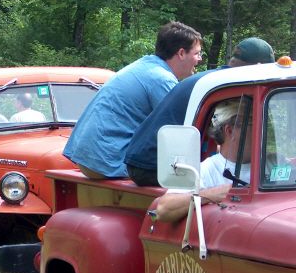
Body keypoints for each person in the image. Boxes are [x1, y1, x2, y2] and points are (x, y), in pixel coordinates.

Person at [125, 37, 274, 186]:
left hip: (150, 159)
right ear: (259, 66)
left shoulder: (218, 79)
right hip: (150, 165)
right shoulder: (227, 86)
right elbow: (229, 134)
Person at [64, 21, 203, 179]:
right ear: (181, 53)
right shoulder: (161, 79)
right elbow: (183, 129)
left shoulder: (145, 66)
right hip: (107, 161)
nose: (199, 59)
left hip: (88, 159)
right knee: (187, 174)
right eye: (197, 53)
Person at [155, 99, 253, 223]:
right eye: (252, 123)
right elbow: (163, 209)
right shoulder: (206, 169)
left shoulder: (273, 163)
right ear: (230, 131)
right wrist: (210, 195)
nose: (260, 130)